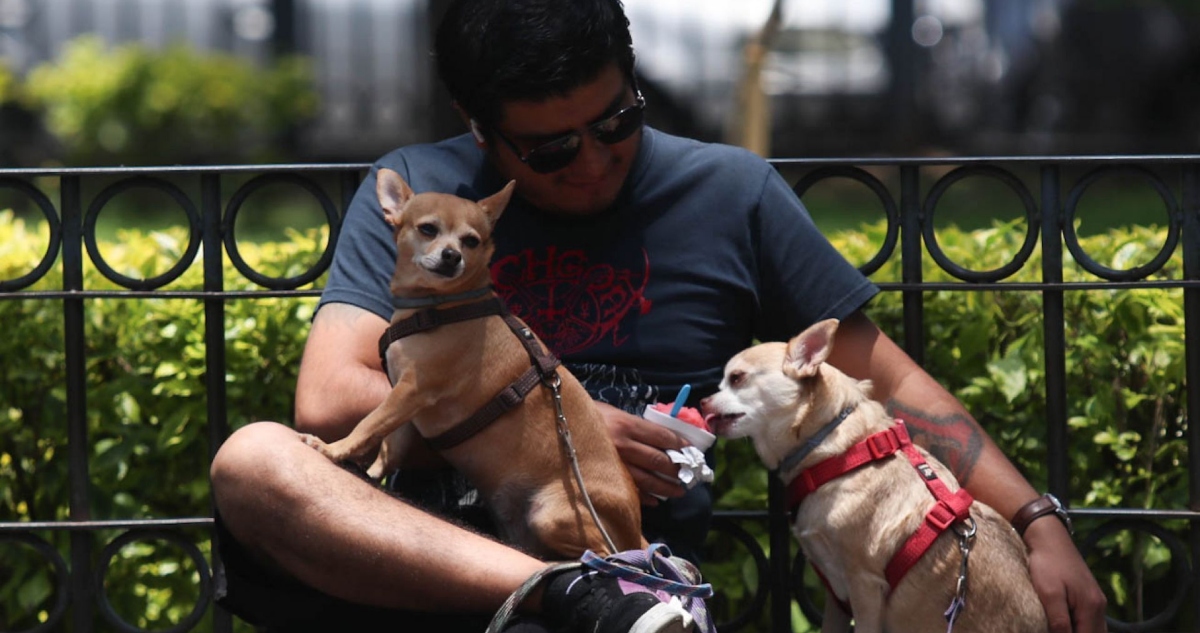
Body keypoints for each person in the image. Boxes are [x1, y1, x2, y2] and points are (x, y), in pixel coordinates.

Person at [209, 0, 1108, 631]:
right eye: (552, 148)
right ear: (478, 130)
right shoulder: (433, 195)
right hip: (418, 559)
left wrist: (1037, 522)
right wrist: (565, 416)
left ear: (636, 80)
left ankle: (592, 596)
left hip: (610, 544)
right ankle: (571, 596)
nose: (594, 163)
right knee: (252, 461)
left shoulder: (731, 193)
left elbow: (890, 385)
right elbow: (330, 399)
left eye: (617, 120)